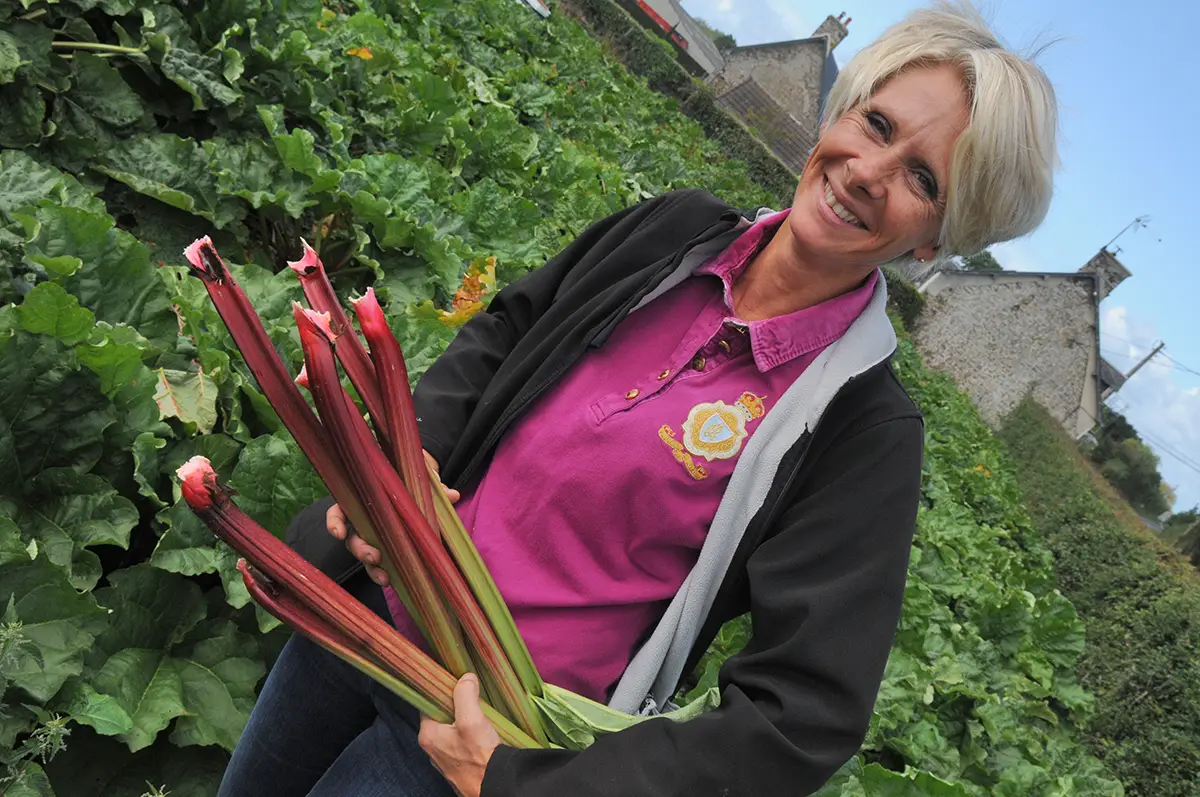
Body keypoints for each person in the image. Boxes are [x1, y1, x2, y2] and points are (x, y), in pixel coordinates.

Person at [217, 3, 1058, 795]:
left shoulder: (863, 430)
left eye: (921, 178)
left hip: (470, 734)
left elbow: (802, 714)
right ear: (841, 113)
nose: (868, 172)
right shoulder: (674, 230)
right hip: (360, 617)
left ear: (934, 242)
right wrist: (403, 468)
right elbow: (506, 329)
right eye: (875, 124)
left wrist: (527, 783)